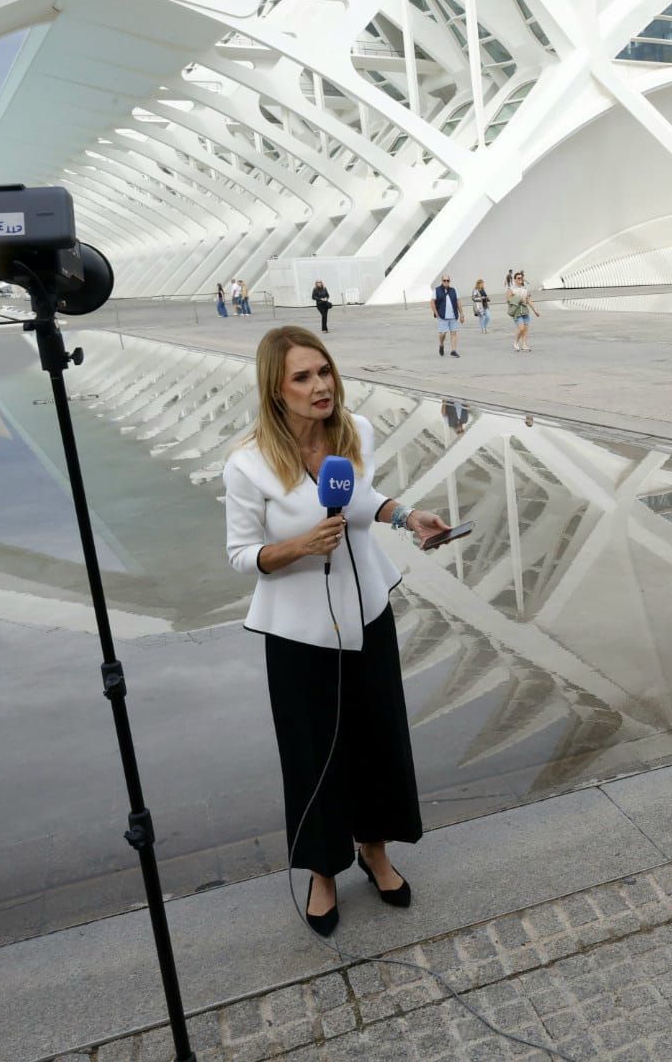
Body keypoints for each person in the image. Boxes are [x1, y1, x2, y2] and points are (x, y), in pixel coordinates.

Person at [222, 326, 449, 936]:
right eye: (302, 377)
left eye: (323, 372)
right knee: (314, 753)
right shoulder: (247, 465)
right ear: (276, 387)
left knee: (376, 738)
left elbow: (361, 498)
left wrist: (404, 516)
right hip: (297, 634)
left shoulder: (355, 432)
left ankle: (375, 851)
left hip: (365, 611)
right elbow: (242, 554)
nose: (319, 386)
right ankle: (324, 871)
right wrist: (295, 547)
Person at [431, 273, 463, 358]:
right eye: (444, 280)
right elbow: (432, 302)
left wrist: (462, 314)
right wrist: (436, 313)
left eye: (447, 280)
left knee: (454, 333)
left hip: (453, 316)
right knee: (443, 333)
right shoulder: (436, 290)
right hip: (442, 316)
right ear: (442, 281)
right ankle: (441, 344)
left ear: (449, 281)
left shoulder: (454, 290)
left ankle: (453, 350)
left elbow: (458, 302)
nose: (446, 282)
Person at [506, 271, 538, 352]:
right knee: (521, 329)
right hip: (517, 311)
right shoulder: (511, 289)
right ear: (515, 279)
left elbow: (528, 301)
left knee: (526, 329)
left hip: (524, 310)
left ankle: (524, 345)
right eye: (518, 278)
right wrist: (519, 299)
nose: (520, 279)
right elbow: (508, 299)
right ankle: (516, 343)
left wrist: (535, 310)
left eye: (521, 278)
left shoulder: (524, 289)